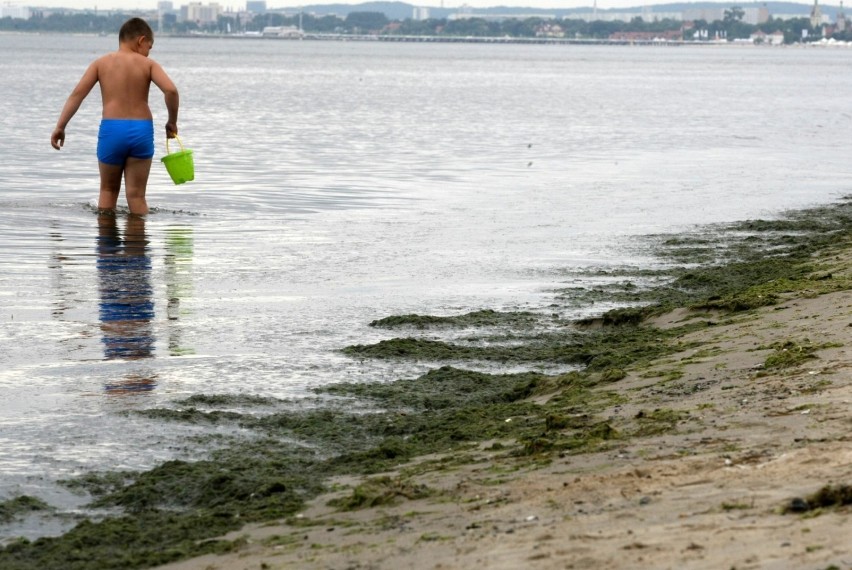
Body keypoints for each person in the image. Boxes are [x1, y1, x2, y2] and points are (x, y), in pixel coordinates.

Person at [51, 17, 179, 215]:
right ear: (141, 40)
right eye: (149, 47)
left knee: (108, 191)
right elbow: (171, 91)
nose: (149, 52)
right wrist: (172, 122)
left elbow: (77, 95)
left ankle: (106, 243)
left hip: (112, 131)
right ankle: (137, 243)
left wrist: (61, 126)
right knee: (137, 196)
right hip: (141, 131)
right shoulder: (149, 65)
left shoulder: (100, 64)